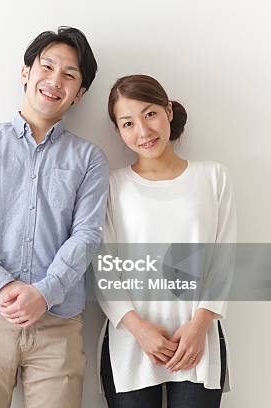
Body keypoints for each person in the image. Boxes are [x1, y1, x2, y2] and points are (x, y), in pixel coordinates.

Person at [0, 26, 109, 408]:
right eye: (47, 66)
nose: (55, 81)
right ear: (26, 71)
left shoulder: (89, 159)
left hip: (58, 326)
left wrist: (45, 292)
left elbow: (87, 234)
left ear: (80, 93)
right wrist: (2, 286)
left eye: (70, 75)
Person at [96, 74, 236, 408]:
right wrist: (139, 329)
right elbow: (103, 268)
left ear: (168, 112)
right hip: (130, 340)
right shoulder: (112, 186)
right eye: (128, 123)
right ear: (119, 131)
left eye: (150, 114)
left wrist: (200, 326)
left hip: (197, 339)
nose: (143, 131)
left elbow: (225, 259)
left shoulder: (213, 177)